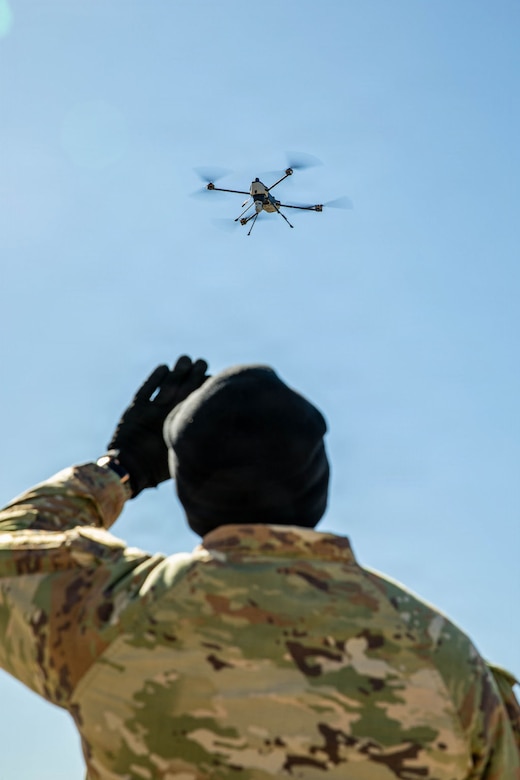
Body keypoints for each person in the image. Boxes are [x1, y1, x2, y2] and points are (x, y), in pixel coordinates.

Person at [0, 355, 518, 780]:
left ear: (188, 493)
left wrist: (121, 467)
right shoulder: (444, 657)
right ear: (319, 484)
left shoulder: (115, 614)